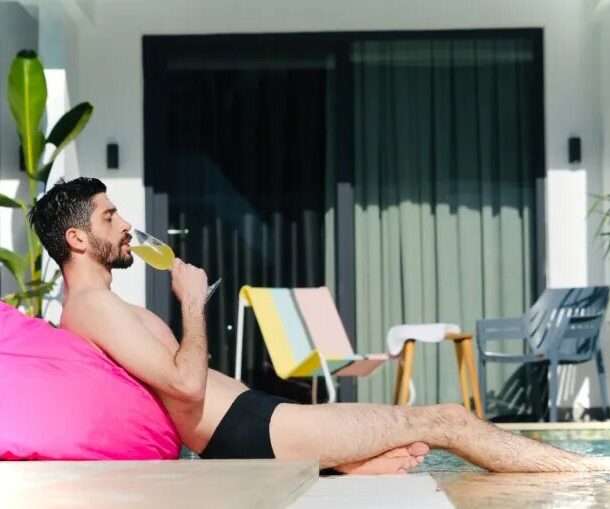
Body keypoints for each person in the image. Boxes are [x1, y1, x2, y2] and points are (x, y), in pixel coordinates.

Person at [27, 177, 610, 474]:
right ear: (77, 239)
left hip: (250, 421)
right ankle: (589, 475)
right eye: (110, 216)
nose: (127, 225)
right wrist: (191, 301)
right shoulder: (95, 308)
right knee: (445, 420)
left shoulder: (95, 308)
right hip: (245, 432)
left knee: (404, 449)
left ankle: (341, 471)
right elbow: (184, 387)